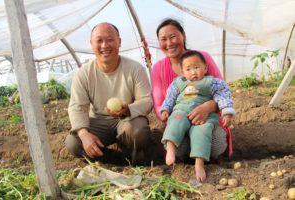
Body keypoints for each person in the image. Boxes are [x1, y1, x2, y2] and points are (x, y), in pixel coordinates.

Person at [65, 23, 153, 165]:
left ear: (119, 42)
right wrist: (83, 134)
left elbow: (146, 100)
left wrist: (128, 109)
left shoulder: (135, 69)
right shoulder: (84, 74)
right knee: (73, 143)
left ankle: (134, 155)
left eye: (110, 39)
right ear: (91, 44)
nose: (104, 45)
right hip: (98, 122)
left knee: (138, 131)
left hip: (125, 119)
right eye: (99, 40)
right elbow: (77, 107)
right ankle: (117, 160)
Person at [151, 18, 232, 161]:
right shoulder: (158, 68)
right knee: (176, 144)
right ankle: (189, 157)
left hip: (206, 120)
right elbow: (159, 104)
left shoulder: (202, 58)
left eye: (173, 37)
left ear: (183, 36)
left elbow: (221, 90)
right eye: (163, 39)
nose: (169, 43)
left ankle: (203, 158)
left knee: (216, 144)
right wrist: (168, 114)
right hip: (179, 119)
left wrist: (208, 107)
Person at [160, 50, 235, 182]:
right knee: (175, 122)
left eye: (197, 67)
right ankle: (170, 148)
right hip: (182, 111)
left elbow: (223, 96)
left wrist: (227, 112)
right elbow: (169, 98)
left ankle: (199, 164)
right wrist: (165, 109)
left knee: (203, 132)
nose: (193, 72)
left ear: (205, 68)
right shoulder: (178, 83)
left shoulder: (212, 82)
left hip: (204, 117)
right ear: (182, 72)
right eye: (188, 69)